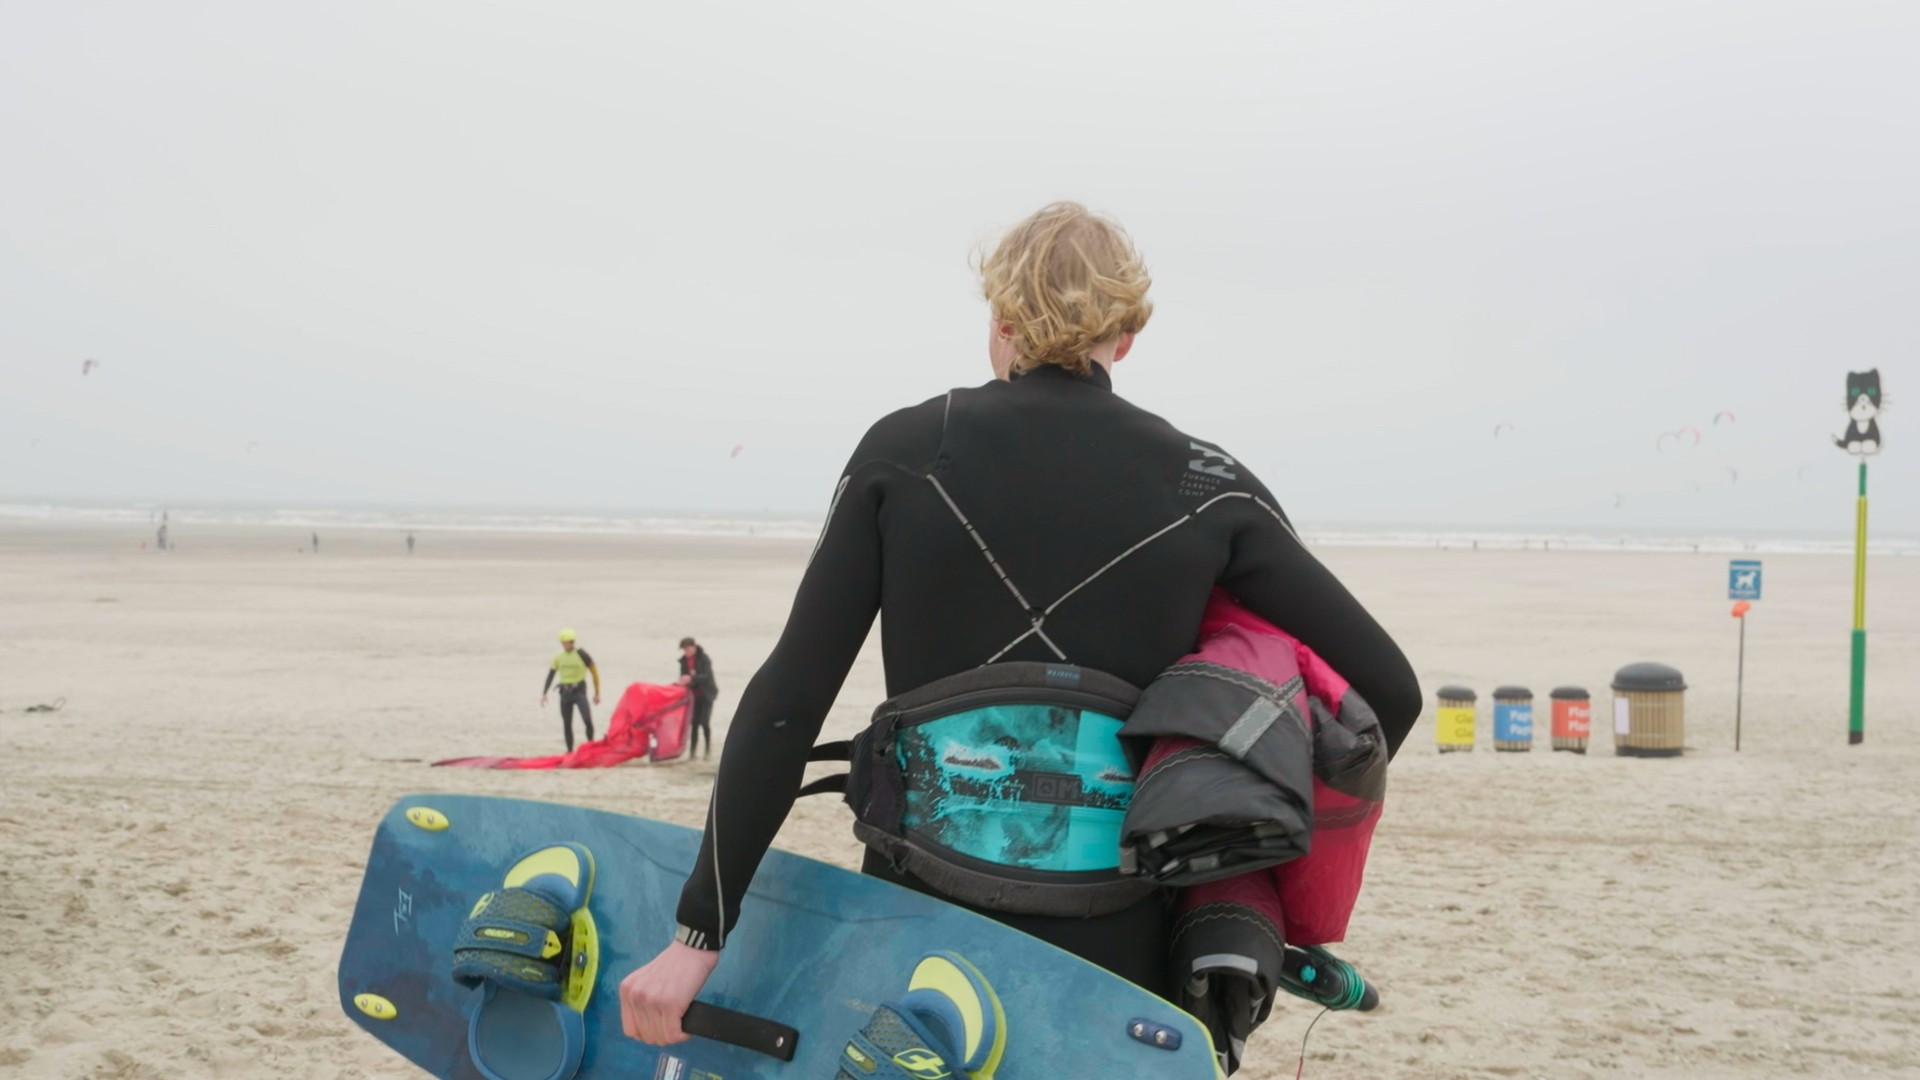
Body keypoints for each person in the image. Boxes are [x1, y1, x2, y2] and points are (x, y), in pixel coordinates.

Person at [617, 203, 1421, 1055]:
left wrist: (697, 935)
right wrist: (1243, 870)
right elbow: (1386, 694)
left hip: (912, 922)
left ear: (999, 321)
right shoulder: (1210, 484)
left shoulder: (905, 451)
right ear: (1128, 336)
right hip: (1121, 954)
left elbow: (789, 701)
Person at [540, 628, 601, 751]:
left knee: (587, 720)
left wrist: (597, 693)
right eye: (563, 643)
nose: (566, 645)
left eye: (568, 642)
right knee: (567, 724)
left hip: (579, 692)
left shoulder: (582, 654)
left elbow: (594, 673)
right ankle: (569, 752)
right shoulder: (559, 657)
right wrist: (544, 693)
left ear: (573, 642)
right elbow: (551, 675)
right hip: (565, 694)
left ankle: (591, 746)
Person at [675, 638, 719, 759]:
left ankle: (707, 751)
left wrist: (692, 678)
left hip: (707, 695)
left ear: (694, 647)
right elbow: (683, 675)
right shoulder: (683, 661)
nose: (686, 652)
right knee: (693, 724)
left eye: (688, 649)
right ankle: (692, 753)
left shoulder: (704, 658)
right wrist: (682, 681)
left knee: (704, 722)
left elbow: (707, 676)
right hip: (693, 697)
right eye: (684, 650)